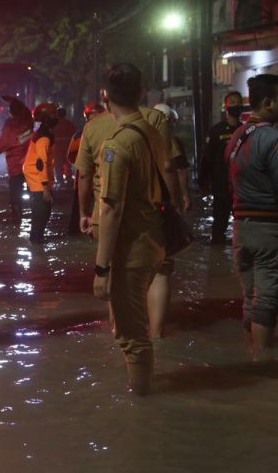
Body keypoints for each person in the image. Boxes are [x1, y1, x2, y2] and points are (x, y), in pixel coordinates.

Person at [93, 63, 166, 396]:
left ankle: (142, 406)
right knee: (139, 328)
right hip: (154, 240)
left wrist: (101, 267)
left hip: (131, 250)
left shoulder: (116, 145)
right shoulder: (152, 129)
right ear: (141, 92)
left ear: (105, 97)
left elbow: (111, 208)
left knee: (131, 335)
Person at [225, 73, 278, 362]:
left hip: (240, 228)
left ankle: (249, 356)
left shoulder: (237, 136)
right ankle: (263, 362)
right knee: (268, 297)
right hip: (268, 229)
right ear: (268, 101)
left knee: (250, 296)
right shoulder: (274, 139)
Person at [200, 91, 244, 244]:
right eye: (233, 103)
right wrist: (203, 181)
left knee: (242, 224)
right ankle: (217, 252)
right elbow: (207, 158)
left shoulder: (245, 131)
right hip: (221, 184)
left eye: (238, 104)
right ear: (226, 107)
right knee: (220, 222)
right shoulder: (215, 131)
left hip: (241, 185)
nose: (236, 107)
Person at [0, 98, 33, 224]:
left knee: (15, 196)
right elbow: (27, 113)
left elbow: (0, 146)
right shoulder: (29, 123)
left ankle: (17, 222)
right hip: (31, 166)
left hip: (16, 168)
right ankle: (36, 218)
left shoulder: (9, 128)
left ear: (11, 113)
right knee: (35, 194)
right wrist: (15, 100)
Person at [67, 103, 105, 235]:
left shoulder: (81, 133)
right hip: (99, 180)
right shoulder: (113, 129)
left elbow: (71, 156)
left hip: (86, 179)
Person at [23, 103, 56, 244]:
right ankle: (37, 247)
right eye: (53, 115)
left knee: (42, 214)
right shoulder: (43, 137)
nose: (56, 118)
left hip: (37, 180)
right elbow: (41, 163)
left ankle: (37, 244)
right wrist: (45, 187)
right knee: (41, 215)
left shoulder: (44, 134)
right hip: (39, 181)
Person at [53, 107, 76, 184]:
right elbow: (74, 136)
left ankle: (60, 181)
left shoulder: (54, 125)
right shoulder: (70, 124)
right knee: (67, 164)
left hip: (57, 149)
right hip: (68, 148)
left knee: (58, 165)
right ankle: (69, 179)